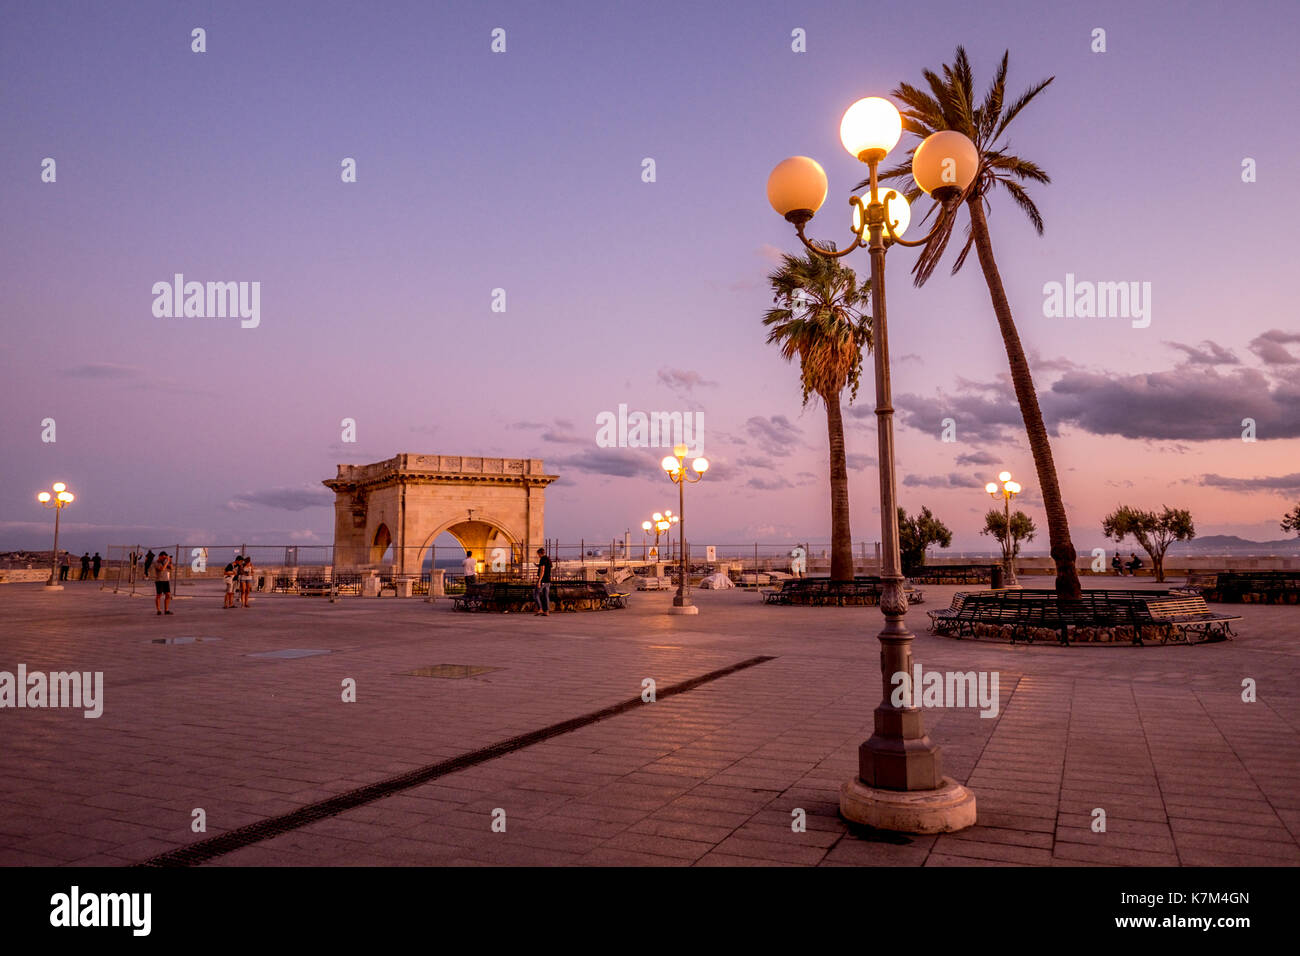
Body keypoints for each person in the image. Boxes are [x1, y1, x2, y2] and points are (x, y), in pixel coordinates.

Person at [534, 547, 552, 616]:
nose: (538, 556)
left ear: (540, 553)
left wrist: (539, 581)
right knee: (546, 596)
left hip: (543, 580)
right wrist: (538, 565)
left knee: (536, 594)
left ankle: (540, 609)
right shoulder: (548, 559)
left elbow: (542, 570)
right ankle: (546, 611)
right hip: (548, 581)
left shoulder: (542, 559)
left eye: (538, 554)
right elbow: (546, 567)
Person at [154, 551, 173, 615]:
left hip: (166, 580)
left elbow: (171, 568)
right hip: (159, 581)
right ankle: (159, 610)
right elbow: (162, 569)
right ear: (160, 556)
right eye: (163, 557)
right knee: (159, 595)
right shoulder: (156, 562)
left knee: (168, 595)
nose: (164, 559)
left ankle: (166, 610)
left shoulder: (165, 562)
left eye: (165, 558)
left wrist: (170, 561)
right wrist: (167, 561)